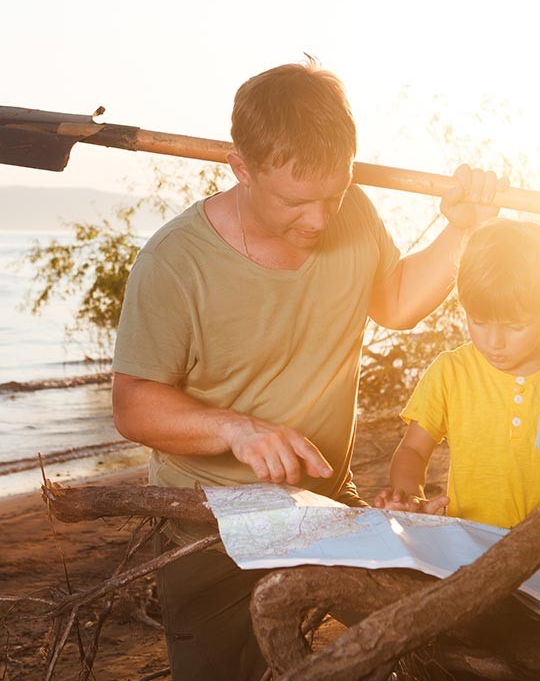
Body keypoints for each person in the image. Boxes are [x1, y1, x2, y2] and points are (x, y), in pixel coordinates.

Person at [110, 58, 506, 680]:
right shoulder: (174, 262)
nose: (320, 220)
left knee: (436, 638)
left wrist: (462, 231)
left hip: (327, 502)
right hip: (211, 519)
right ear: (240, 169)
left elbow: (396, 302)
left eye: (335, 194)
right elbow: (134, 404)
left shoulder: (352, 215)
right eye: (296, 201)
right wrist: (236, 430)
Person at [374, 218, 540, 616]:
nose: (493, 342)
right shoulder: (451, 372)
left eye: (514, 326)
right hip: (472, 570)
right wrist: (409, 494)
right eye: (478, 322)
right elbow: (413, 448)